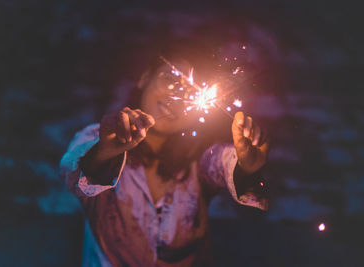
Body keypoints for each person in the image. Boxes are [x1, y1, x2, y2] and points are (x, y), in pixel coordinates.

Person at [60, 48, 270, 266]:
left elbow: (223, 163)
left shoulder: (200, 157)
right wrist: (106, 151)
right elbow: (75, 172)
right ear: (144, 78)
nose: (176, 97)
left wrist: (247, 167)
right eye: (170, 78)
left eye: (192, 91)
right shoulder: (99, 136)